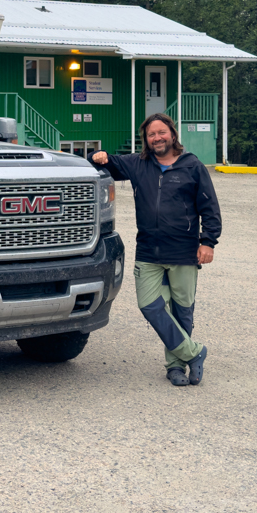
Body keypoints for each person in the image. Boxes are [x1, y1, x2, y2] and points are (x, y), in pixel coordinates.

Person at [88, 113, 221, 387]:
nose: (157, 138)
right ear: (146, 139)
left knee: (182, 310)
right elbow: (108, 163)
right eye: (151, 134)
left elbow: (209, 208)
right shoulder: (138, 164)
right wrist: (97, 155)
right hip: (149, 252)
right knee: (150, 306)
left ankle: (175, 367)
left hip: (184, 252)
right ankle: (195, 353)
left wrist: (208, 242)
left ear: (172, 134)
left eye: (162, 132)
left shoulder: (192, 166)